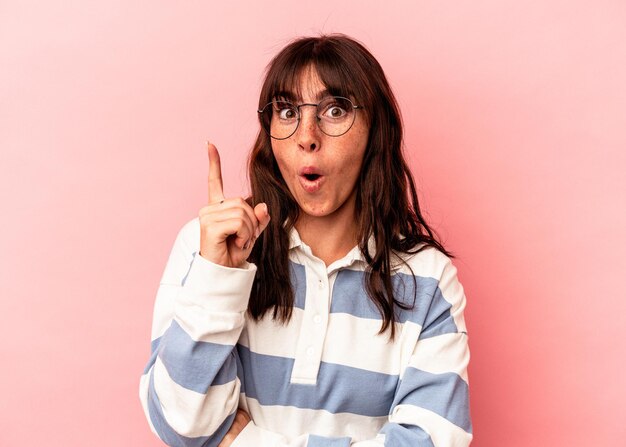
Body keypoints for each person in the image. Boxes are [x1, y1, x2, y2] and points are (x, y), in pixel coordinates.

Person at [139, 33, 472, 446]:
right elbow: (179, 423)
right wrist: (217, 279)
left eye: (335, 110)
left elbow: (432, 440)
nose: (307, 135)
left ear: (376, 131)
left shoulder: (428, 279)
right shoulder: (208, 247)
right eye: (286, 110)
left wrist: (249, 442)